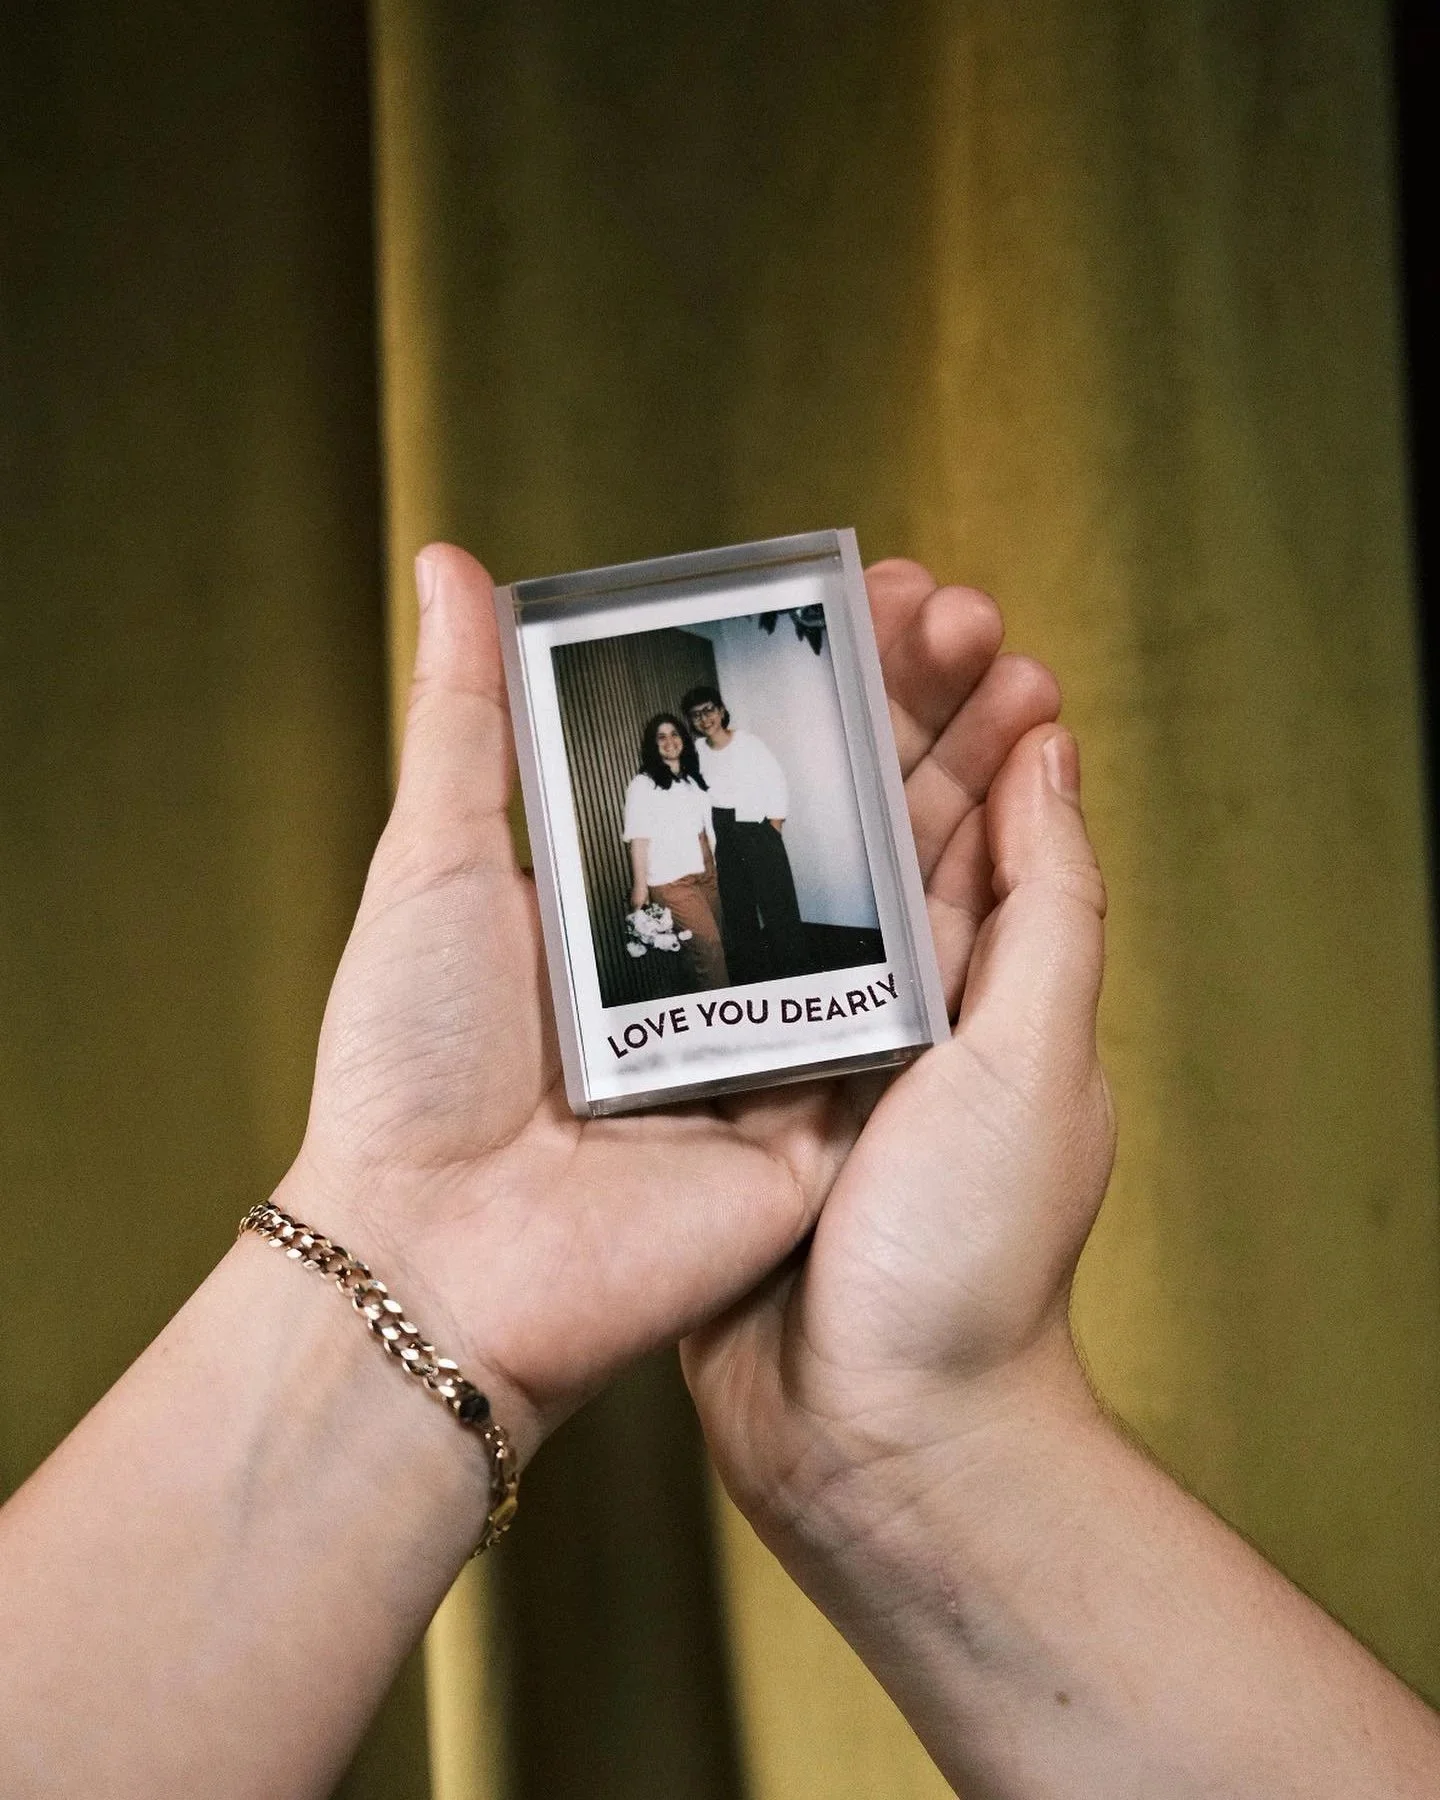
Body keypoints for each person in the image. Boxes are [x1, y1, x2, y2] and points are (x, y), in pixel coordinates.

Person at [1, 544, 1437, 1800]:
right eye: (676, 728)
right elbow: (648, 867)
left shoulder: (740, 772)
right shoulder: (644, 800)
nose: (686, 734)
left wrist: (936, 1422)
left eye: (696, 724)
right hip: (675, 903)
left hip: (746, 876)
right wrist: (414, 1246)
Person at [679, 682, 809, 983]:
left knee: (779, 908)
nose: (704, 718)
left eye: (709, 710)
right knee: (739, 915)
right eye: (696, 715)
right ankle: (756, 981)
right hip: (723, 837)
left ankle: (798, 975)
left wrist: (772, 830)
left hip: (757, 831)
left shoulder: (749, 743)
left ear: (721, 711)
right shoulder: (696, 752)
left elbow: (776, 783)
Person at [621, 712, 727, 990]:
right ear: (652, 745)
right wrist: (640, 889)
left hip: (705, 872)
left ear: (684, 739)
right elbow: (638, 839)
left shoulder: (692, 780)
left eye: (675, 734)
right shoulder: (643, 785)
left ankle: (693, 1007)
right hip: (672, 881)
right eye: (661, 737)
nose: (669, 741)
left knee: (700, 948)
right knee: (709, 947)